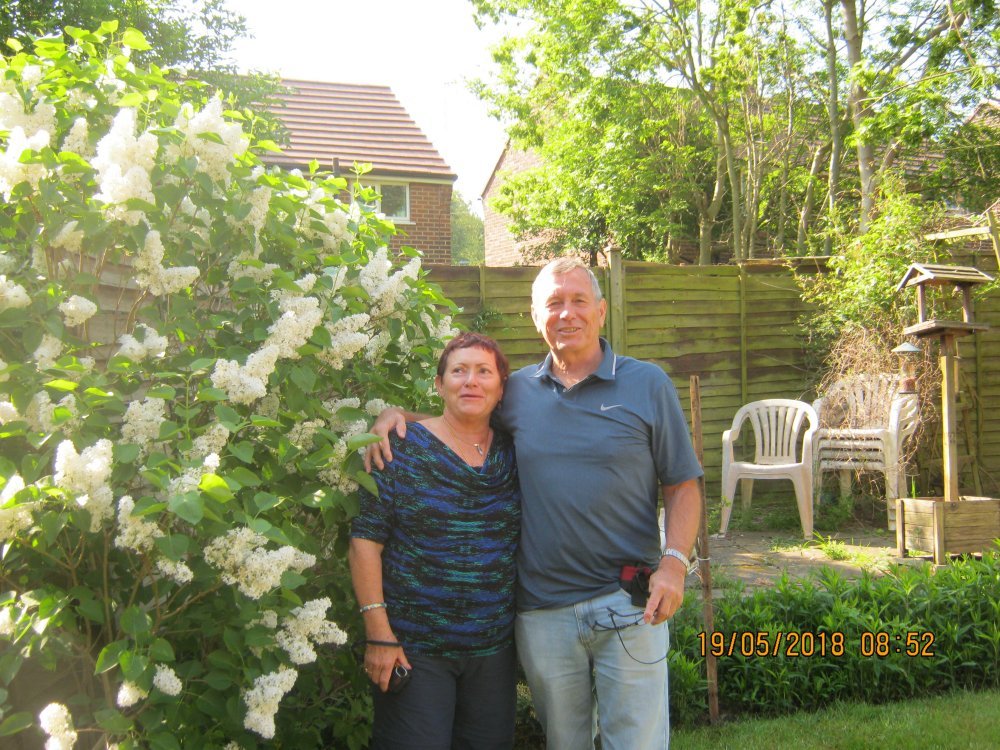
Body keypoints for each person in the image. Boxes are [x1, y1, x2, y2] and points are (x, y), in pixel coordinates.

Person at [367, 257, 703, 749]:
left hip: (629, 603)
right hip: (544, 613)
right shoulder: (517, 390)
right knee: (564, 743)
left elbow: (683, 483)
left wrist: (674, 564)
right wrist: (394, 416)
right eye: (553, 303)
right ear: (535, 316)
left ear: (602, 311)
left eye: (578, 301)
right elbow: (461, 418)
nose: (567, 314)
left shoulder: (646, 383)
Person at [349, 332, 520, 750]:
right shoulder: (400, 450)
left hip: (492, 652)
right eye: (458, 371)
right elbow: (364, 542)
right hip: (414, 650)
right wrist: (379, 635)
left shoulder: (514, 451)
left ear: (501, 389)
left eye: (484, 372)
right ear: (440, 384)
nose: (470, 382)